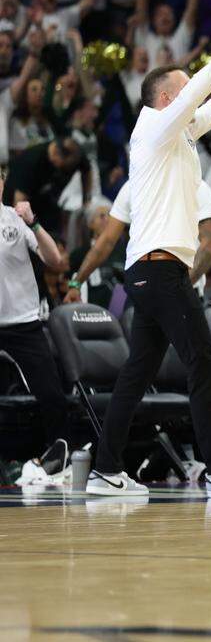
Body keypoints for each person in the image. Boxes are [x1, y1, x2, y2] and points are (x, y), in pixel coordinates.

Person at [87, 14, 211, 498]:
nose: (192, 92)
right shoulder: (151, 128)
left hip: (153, 272)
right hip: (158, 271)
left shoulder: (178, 136)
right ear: (168, 99)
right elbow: (201, 91)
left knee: (137, 372)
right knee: (204, 362)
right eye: (184, 87)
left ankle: (105, 470)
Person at [0, 173, 71, 485]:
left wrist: (34, 223)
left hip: (24, 321)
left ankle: (58, 458)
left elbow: (56, 261)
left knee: (52, 395)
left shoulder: (15, 220)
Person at [66, 179, 211, 304]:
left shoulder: (196, 185)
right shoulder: (132, 186)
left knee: (194, 341)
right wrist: (77, 283)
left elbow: (210, 243)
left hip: (182, 294)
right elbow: (106, 240)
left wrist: (180, 287)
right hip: (144, 297)